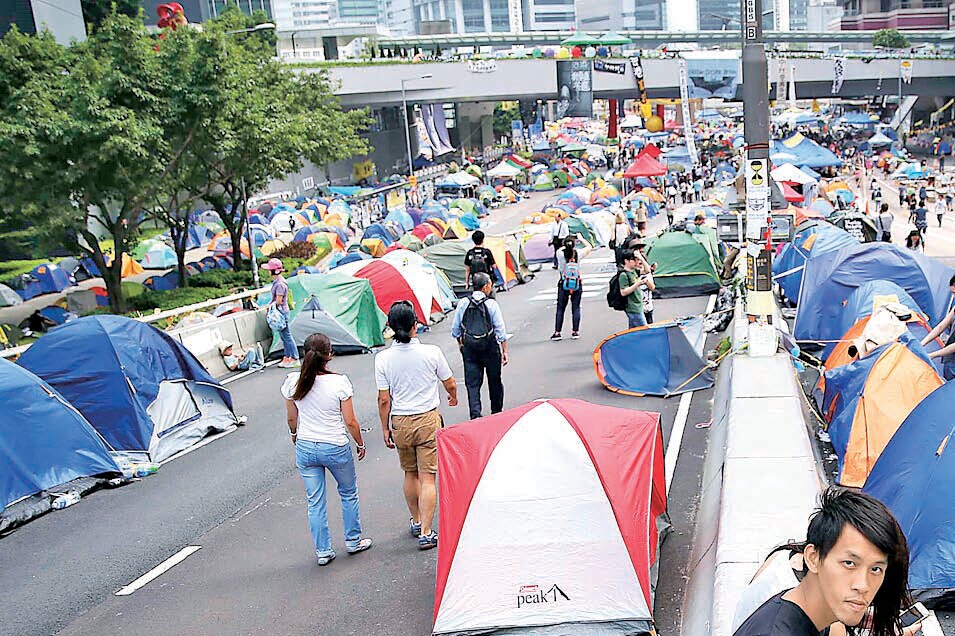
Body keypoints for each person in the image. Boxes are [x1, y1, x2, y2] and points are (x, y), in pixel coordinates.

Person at [283, 333, 372, 566]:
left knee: (315, 501)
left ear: (304, 353)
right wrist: (360, 443)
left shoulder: (292, 381)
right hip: (334, 446)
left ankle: (323, 551)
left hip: (305, 446)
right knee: (348, 493)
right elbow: (350, 421)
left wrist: (294, 434)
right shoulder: (339, 382)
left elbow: (291, 418)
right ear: (329, 354)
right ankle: (353, 541)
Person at [376, 301, 457, 550]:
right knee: (428, 477)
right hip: (427, 419)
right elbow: (450, 382)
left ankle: (416, 520)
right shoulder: (431, 352)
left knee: (409, 473)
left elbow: (383, 399)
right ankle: (426, 532)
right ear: (415, 325)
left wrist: (385, 428)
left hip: (400, 421)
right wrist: (452, 396)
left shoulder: (382, 359)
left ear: (391, 327)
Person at [451, 272, 508, 419]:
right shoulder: (491, 304)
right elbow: (500, 330)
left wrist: (461, 344)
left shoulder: (463, 303)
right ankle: (496, 412)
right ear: (485, 287)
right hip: (490, 347)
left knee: (472, 384)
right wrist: (504, 350)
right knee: (494, 380)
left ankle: (475, 414)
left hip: (470, 348)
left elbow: (456, 329)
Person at [263, 258, 299, 369]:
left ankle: (294, 357)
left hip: (281, 312)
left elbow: (278, 301)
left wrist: (270, 306)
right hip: (282, 311)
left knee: (287, 336)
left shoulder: (280, 284)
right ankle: (288, 356)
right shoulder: (279, 282)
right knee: (284, 336)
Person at [921, 274, 955, 381]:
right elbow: (941, 326)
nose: (953, 296)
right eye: (952, 293)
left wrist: (932, 355)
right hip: (950, 358)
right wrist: (922, 343)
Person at [552, 238, 582, 340]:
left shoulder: (560, 253)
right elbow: (589, 247)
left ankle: (557, 332)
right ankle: (575, 331)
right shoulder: (578, 253)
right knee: (576, 307)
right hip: (576, 283)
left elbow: (561, 249)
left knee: (560, 308)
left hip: (564, 283)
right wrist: (581, 238)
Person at [618, 249, 647, 329]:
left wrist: (641, 258)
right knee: (644, 329)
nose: (636, 262)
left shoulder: (634, 271)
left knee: (633, 330)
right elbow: (623, 292)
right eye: (633, 260)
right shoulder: (623, 275)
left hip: (638, 305)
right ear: (626, 261)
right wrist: (637, 284)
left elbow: (647, 271)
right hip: (633, 307)